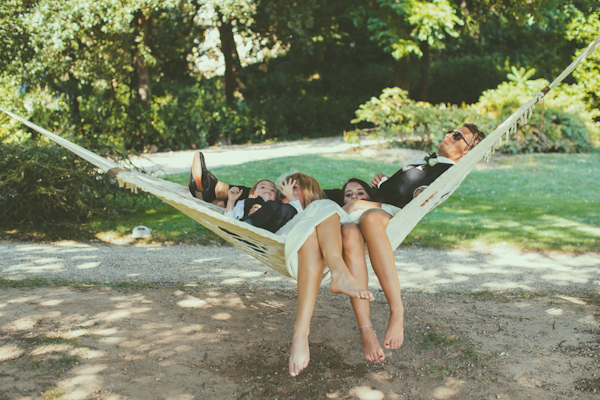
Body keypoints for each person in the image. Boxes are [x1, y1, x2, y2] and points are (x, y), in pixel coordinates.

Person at [225, 178, 300, 233]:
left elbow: (300, 217)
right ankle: (248, 224)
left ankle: (248, 226)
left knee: (288, 208)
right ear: (252, 195)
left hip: (269, 235)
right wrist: (231, 201)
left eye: (272, 190)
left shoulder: (277, 206)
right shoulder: (245, 202)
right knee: (273, 206)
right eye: (263, 187)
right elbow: (229, 220)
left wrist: (290, 196)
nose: (268, 189)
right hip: (245, 230)